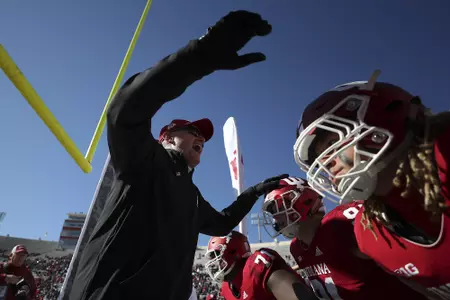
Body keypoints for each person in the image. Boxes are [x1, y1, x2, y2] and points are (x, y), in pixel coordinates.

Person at [68, 10, 286, 300]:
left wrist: (254, 192)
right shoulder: (144, 159)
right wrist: (199, 57)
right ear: (166, 137)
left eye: (203, 137)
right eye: (192, 131)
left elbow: (221, 223)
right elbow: (125, 111)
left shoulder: (191, 194)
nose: (200, 138)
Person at [293, 70, 450, 298]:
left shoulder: (445, 151)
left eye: (332, 142)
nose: (327, 163)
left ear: (383, 115)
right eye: (321, 156)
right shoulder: (369, 233)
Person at [262, 176, 428, 299]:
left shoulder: (338, 224)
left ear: (304, 200)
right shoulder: (296, 248)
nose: (276, 218)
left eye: (279, 208)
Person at [204, 231, 316, 300]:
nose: (214, 263)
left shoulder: (257, 267)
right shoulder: (226, 288)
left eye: (216, 255)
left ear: (234, 252)